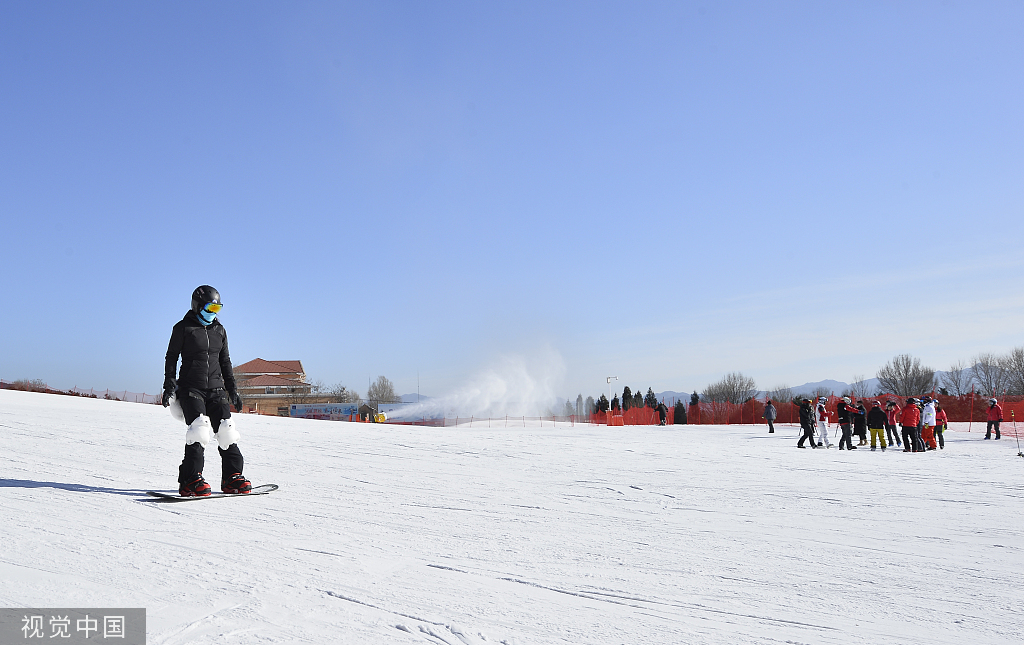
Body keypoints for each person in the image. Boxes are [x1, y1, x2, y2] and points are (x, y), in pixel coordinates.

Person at [162, 285, 251, 497]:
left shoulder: (219, 330)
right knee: (199, 431)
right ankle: (190, 480)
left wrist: (233, 391)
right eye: (210, 308)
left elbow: (225, 361)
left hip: (216, 389)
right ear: (198, 306)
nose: (213, 313)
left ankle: (232, 478)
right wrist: (168, 386)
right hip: (191, 388)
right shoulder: (182, 328)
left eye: (217, 309)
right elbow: (171, 358)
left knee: (227, 432)